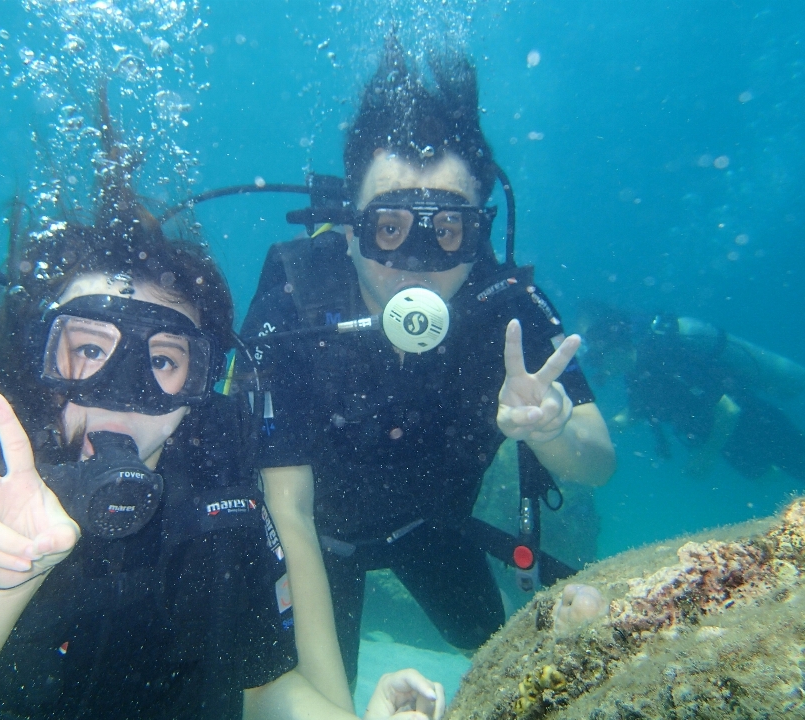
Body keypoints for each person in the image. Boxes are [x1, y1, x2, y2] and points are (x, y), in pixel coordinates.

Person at [0, 128, 446, 720]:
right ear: (41, 359)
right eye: (88, 351)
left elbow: (259, 688)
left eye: (161, 361)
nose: (121, 397)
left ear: (197, 386)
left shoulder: (211, 483)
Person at [241, 39, 616, 685]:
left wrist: (553, 427)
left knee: (500, 662)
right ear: (351, 225)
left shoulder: (509, 309)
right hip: (313, 540)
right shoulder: (294, 299)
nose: (415, 261)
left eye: (446, 231)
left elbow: (599, 463)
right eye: (390, 227)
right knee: (311, 685)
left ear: (480, 232)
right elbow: (287, 508)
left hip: (433, 526)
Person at [579, 301, 805, 482]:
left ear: (614, 347)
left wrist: (706, 457)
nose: (600, 370)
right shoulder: (635, 374)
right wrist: (593, 433)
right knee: (771, 480)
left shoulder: (664, 357)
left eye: (598, 360)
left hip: (758, 426)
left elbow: (729, 409)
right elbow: (638, 409)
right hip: (727, 442)